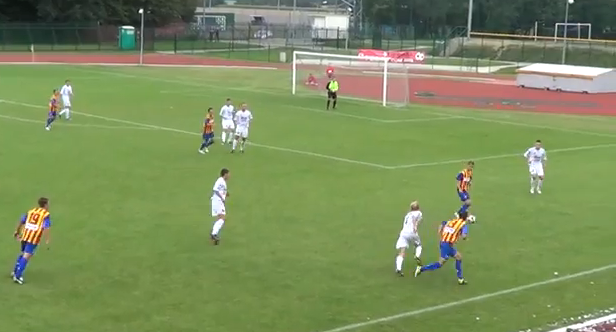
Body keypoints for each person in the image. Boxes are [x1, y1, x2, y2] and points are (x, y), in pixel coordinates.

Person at [414, 211, 474, 285]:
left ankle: (460, 279)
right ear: (465, 217)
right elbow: (464, 236)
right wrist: (464, 236)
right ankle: (421, 269)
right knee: (440, 263)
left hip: (445, 243)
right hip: (446, 245)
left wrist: (440, 230)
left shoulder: (452, 221)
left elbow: (443, 223)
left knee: (459, 257)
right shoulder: (464, 225)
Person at [11, 197, 52, 285]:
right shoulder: (45, 215)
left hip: (25, 235)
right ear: (45, 205)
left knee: (23, 253)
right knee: (26, 256)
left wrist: (16, 231)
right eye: (48, 204)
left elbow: (21, 221)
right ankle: (17, 276)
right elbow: (46, 227)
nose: (49, 205)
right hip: (33, 238)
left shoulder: (31, 211)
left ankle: (15, 271)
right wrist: (47, 239)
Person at [395, 201, 423, 276]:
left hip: (403, 233)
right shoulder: (418, 213)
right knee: (419, 245)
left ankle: (398, 268)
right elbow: (415, 219)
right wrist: (415, 226)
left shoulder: (407, 215)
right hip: (412, 233)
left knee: (402, 251)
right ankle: (417, 255)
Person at [211, 168, 230, 245]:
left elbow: (222, 190)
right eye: (228, 174)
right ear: (225, 174)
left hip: (218, 201)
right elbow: (215, 190)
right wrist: (222, 198)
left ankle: (214, 235)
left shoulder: (223, 182)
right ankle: (214, 234)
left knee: (219, 218)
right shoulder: (220, 180)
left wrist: (226, 193)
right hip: (218, 201)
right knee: (222, 218)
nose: (229, 176)